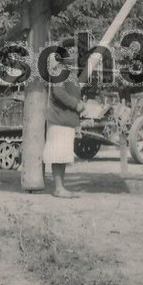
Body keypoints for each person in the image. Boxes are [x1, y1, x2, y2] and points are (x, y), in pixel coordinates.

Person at [43, 44, 84, 198]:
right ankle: (58, 188)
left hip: (67, 119)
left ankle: (61, 187)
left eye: (75, 52)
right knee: (57, 154)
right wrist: (76, 105)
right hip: (59, 118)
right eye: (71, 51)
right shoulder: (58, 70)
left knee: (63, 155)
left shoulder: (69, 73)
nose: (74, 56)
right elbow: (58, 93)